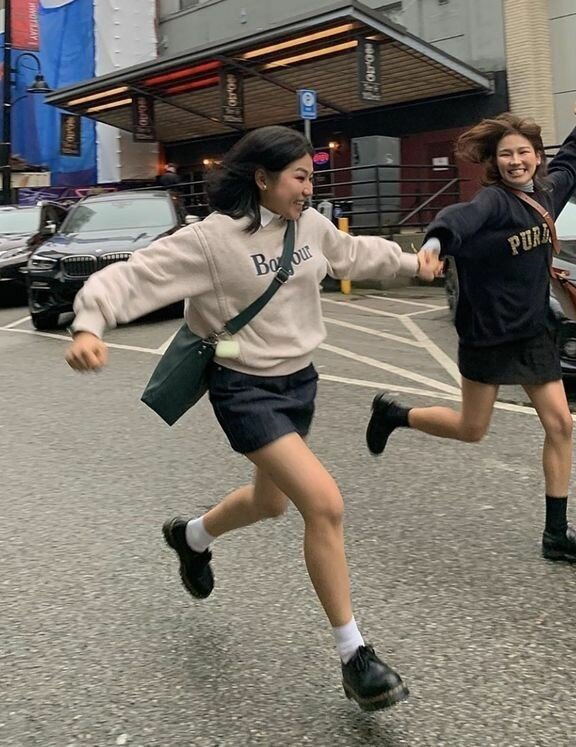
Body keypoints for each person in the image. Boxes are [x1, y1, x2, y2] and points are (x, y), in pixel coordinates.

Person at [65, 125, 438, 711]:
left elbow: (355, 254)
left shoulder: (309, 226)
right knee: (324, 504)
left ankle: (191, 537)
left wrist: (414, 263)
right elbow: (135, 275)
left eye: (312, 177)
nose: (309, 189)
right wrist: (90, 323)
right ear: (261, 178)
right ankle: (355, 656)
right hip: (244, 389)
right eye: (299, 177)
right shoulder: (210, 240)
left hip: (299, 383)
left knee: (271, 503)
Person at [365, 100, 576, 563]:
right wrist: (433, 245)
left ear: (536, 155)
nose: (516, 161)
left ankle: (556, 534)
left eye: (523, 152)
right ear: (495, 162)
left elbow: (572, 161)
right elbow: (458, 219)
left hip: (533, 329)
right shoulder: (494, 201)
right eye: (506, 155)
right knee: (471, 428)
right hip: (488, 332)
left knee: (561, 424)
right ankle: (395, 415)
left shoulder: (547, 193)